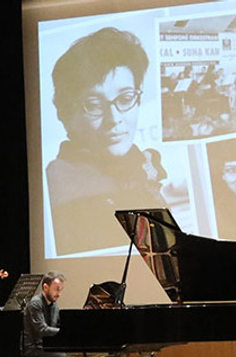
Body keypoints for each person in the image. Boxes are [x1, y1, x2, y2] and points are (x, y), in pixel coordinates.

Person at [46, 27, 166, 256]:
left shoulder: (139, 166)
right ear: (65, 114)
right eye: (93, 104)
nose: (115, 119)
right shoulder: (64, 184)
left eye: (126, 98)